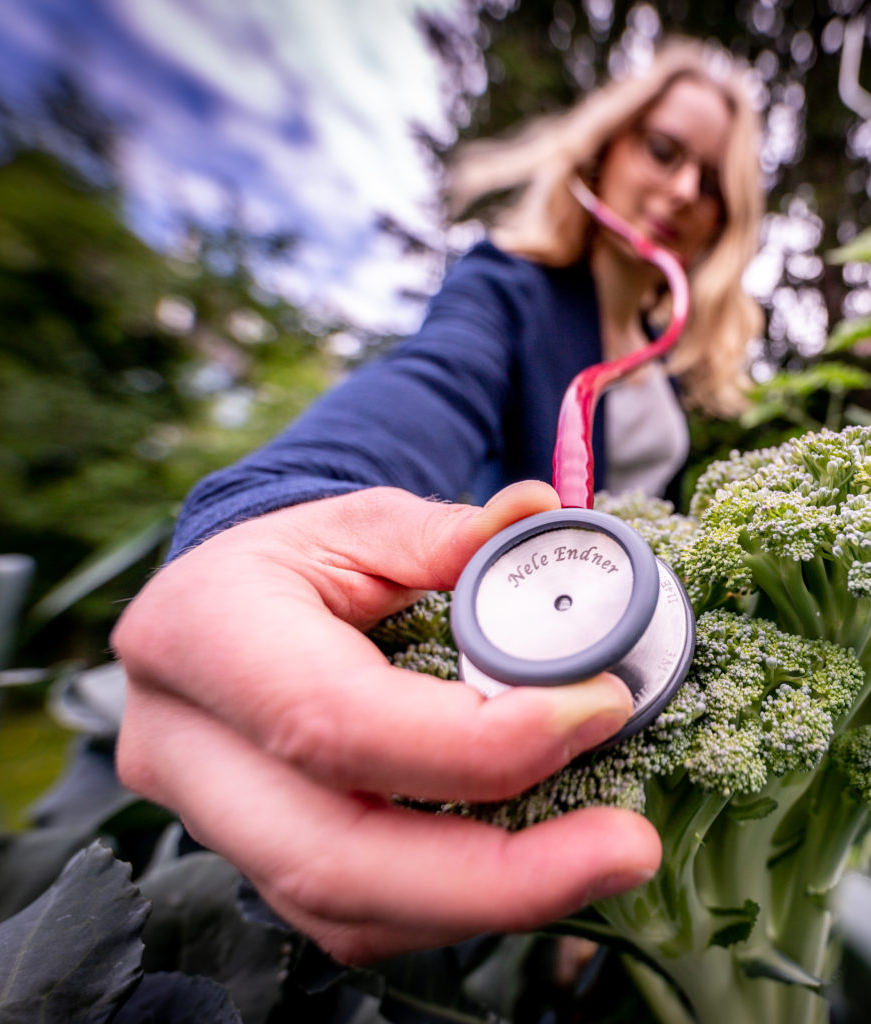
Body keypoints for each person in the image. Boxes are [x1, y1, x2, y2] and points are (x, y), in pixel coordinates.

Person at [110, 38, 765, 964]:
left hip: (643, 657)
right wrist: (258, 513)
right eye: (665, 148)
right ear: (604, 149)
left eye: (717, 183)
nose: (688, 188)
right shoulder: (506, 287)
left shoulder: (670, 351)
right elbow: (431, 386)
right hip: (538, 664)